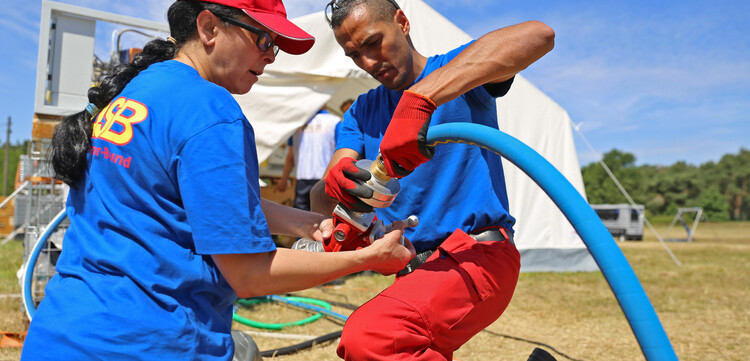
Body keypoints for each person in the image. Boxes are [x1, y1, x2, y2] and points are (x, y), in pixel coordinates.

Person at [21, 1, 414, 360]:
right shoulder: (211, 112)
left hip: (62, 333)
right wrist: (365, 259)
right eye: (263, 38)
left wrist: (307, 223)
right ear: (208, 27)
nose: (270, 56)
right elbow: (248, 274)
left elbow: (193, 199)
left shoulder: (138, 90)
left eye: (275, 45)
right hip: (151, 341)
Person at [310, 0, 555, 359]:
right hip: (412, 270)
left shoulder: (457, 73)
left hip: (478, 254)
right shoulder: (361, 112)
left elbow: (538, 35)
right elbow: (323, 196)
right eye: (354, 55)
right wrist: (335, 182)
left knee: (371, 337)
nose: (367, 63)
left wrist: (422, 98)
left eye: (373, 43)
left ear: (403, 22)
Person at [275, 107, 341, 211]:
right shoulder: (334, 121)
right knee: (326, 217)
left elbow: (290, 156)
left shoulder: (297, 123)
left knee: (301, 217)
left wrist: (284, 179)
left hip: (303, 178)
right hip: (326, 178)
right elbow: (342, 151)